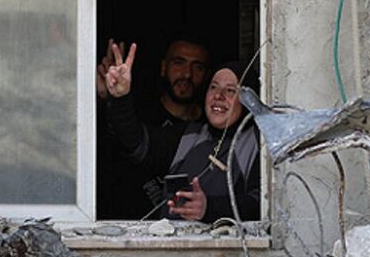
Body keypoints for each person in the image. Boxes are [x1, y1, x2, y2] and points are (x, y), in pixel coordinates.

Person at [104, 44, 260, 223]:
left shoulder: (258, 143)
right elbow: (136, 144)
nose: (218, 95)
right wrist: (120, 97)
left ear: (248, 99)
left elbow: (262, 205)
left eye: (231, 90)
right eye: (213, 87)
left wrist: (209, 209)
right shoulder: (188, 135)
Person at [95, 38, 209, 218]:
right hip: (129, 222)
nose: (187, 74)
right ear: (163, 68)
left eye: (198, 67)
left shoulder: (210, 128)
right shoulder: (139, 113)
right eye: (178, 63)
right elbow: (114, 141)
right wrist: (109, 99)